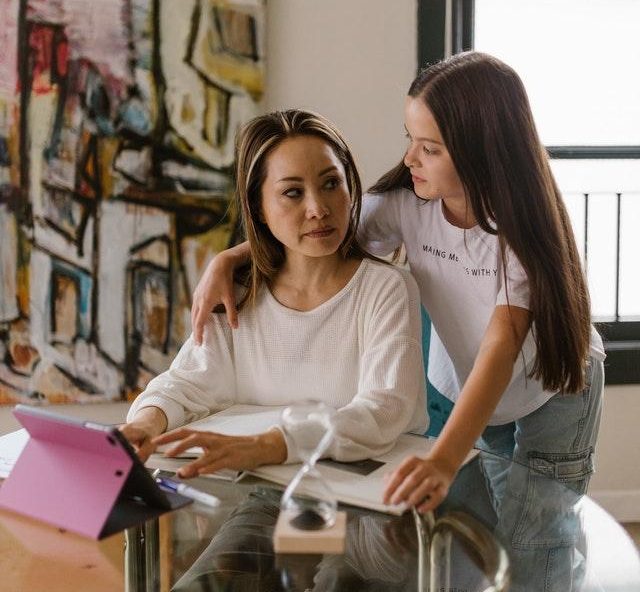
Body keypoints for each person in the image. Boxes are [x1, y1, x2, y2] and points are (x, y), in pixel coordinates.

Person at [190, 53, 605, 589]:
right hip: (477, 387)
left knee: (537, 532)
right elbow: (318, 226)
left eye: (429, 149)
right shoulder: (408, 205)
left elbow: (501, 348)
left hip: (553, 388)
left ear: (484, 154)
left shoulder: (515, 235)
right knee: (488, 521)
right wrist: (229, 258)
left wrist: (443, 460)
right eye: (410, 138)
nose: (410, 157)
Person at [121, 109, 427, 477]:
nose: (318, 209)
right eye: (292, 193)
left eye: (331, 183)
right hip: (258, 490)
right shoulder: (236, 292)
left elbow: (383, 411)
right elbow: (187, 384)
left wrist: (269, 446)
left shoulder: (386, 289)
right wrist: (145, 422)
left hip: (372, 497)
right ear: (259, 209)